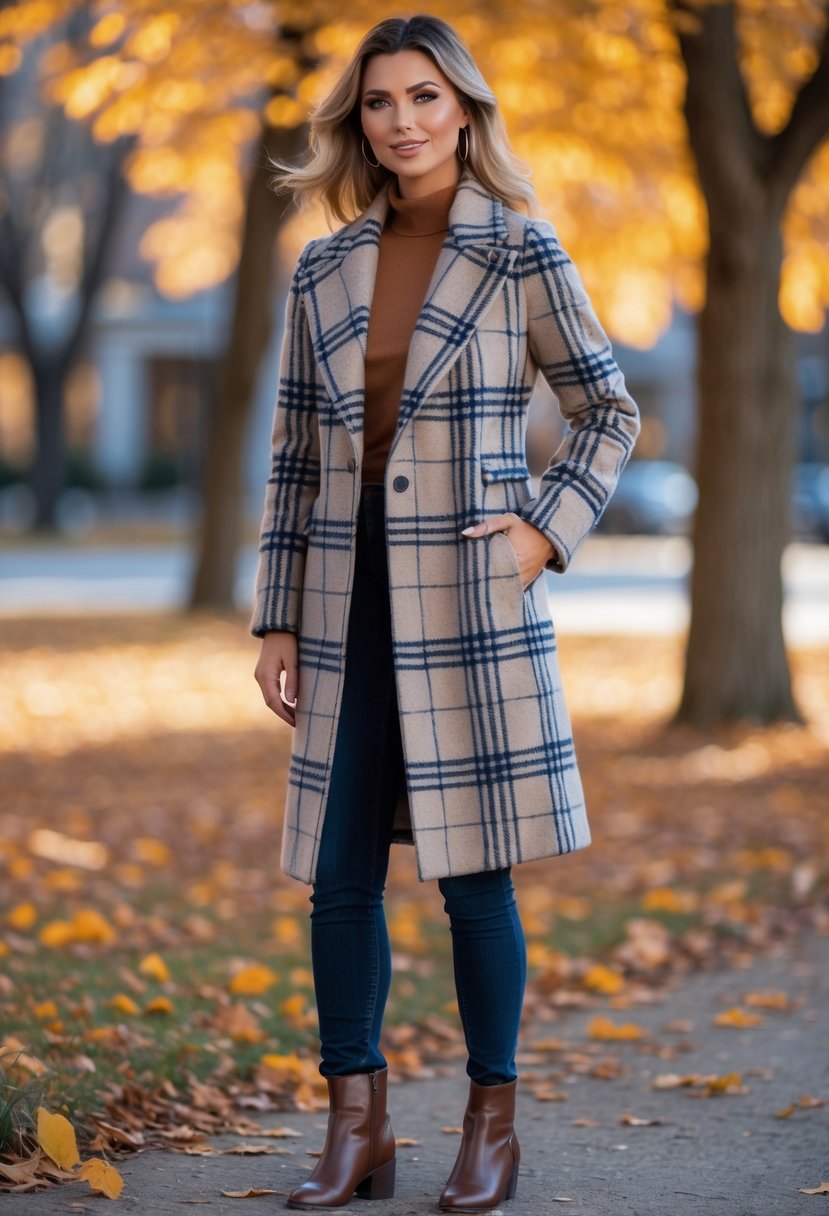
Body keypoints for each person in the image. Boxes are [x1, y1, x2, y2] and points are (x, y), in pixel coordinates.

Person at [252, 13, 640, 1211]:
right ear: (356, 122)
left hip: (468, 590)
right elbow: (294, 459)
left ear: (463, 111)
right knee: (338, 873)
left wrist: (540, 532)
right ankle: (355, 1124)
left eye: (424, 98)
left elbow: (607, 410)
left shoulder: (522, 250)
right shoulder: (323, 269)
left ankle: (491, 1125)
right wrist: (275, 617)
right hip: (339, 589)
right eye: (379, 103)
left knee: (474, 873)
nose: (403, 122)